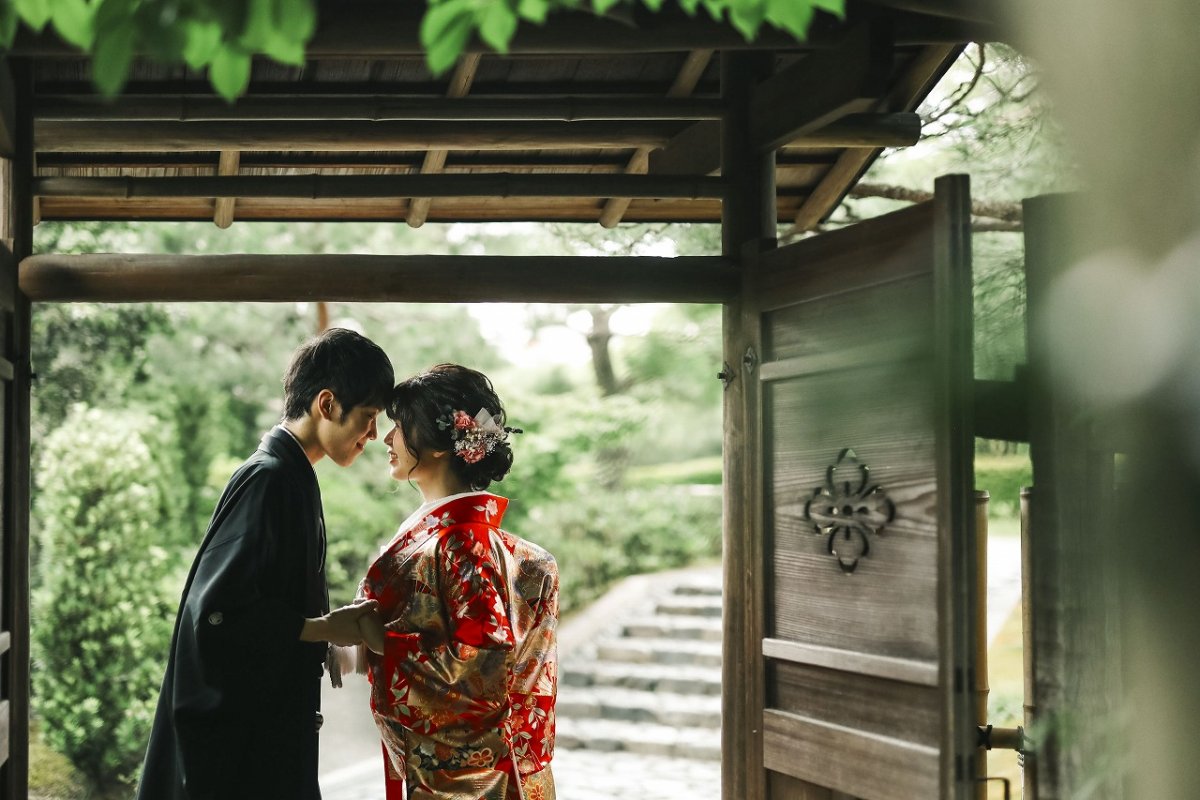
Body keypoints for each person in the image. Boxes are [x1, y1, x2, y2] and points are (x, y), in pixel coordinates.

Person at [137, 327, 395, 800]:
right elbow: (217, 614)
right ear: (327, 404)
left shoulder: (291, 475)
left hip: (261, 740)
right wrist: (323, 628)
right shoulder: (270, 479)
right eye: (369, 416)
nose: (374, 435)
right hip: (236, 752)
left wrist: (329, 640)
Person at [355, 363, 559, 800]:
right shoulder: (473, 542)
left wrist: (378, 639)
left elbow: (482, 664)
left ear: (439, 447)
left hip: (473, 782)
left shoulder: (462, 544)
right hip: (480, 771)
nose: (387, 439)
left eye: (399, 427)